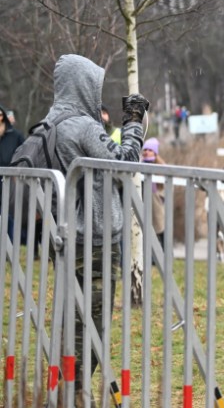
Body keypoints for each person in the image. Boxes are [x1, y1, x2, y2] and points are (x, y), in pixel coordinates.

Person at [40, 55, 148, 401]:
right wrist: (133, 123)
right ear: (83, 85)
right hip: (96, 241)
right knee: (92, 326)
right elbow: (124, 164)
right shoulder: (84, 126)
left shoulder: (50, 122)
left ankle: (65, 389)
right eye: (94, 84)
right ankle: (74, 393)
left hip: (67, 235)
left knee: (70, 320)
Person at [1, 103, 26, 243]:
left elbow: (24, 151)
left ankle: (10, 247)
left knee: (9, 214)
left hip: (10, 179)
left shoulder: (15, 135)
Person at [141, 137, 166, 249]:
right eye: (145, 149)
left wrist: (160, 197)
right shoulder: (139, 165)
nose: (146, 152)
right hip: (143, 202)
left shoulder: (161, 168)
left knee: (159, 229)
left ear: (155, 153)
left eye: (150, 150)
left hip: (156, 204)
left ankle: (163, 255)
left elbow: (165, 187)